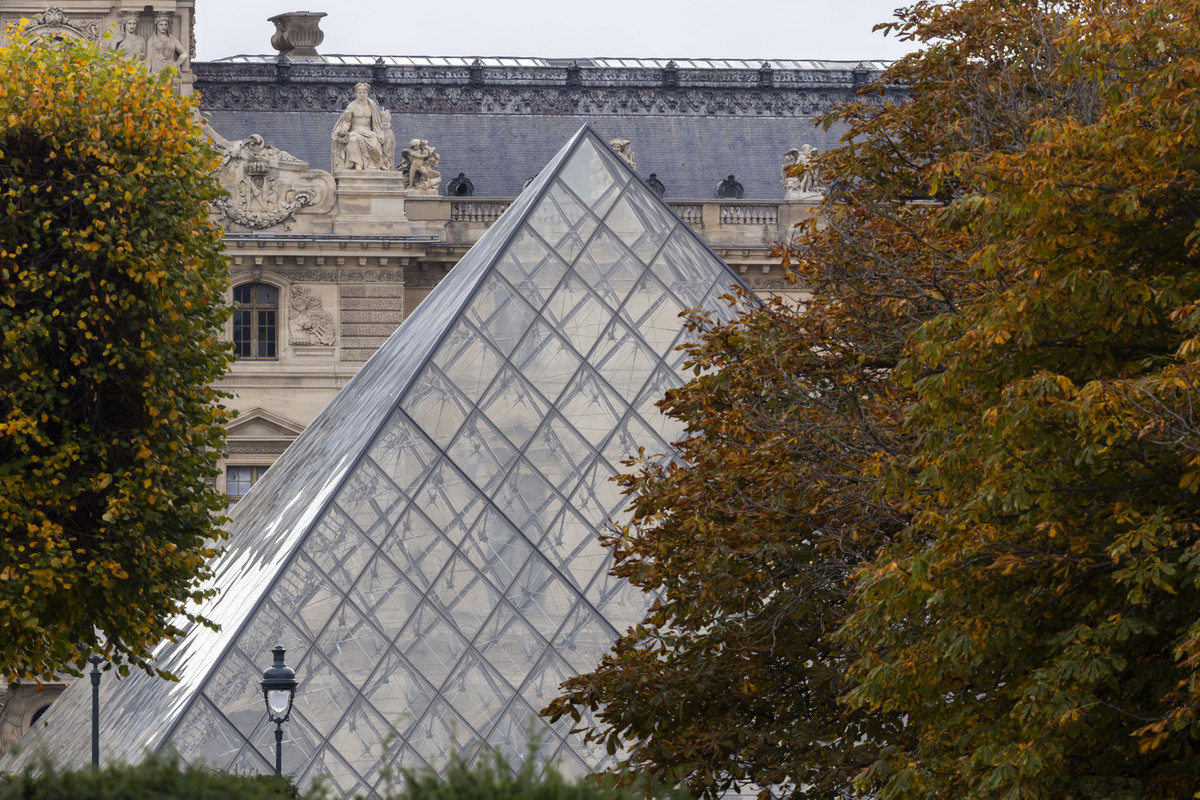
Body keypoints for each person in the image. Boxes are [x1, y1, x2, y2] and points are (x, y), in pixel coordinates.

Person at [331, 83, 388, 171]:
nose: (362, 94)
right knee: (353, 140)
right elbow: (346, 122)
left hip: (369, 132)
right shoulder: (351, 107)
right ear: (356, 93)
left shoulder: (372, 106)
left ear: (367, 93)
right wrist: (344, 130)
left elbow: (377, 121)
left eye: (364, 92)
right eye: (360, 92)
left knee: (376, 141)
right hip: (356, 131)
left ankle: (375, 164)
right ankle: (358, 164)